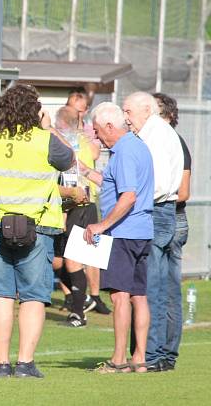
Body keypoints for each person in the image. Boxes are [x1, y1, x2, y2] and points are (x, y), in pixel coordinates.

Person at [0, 84, 73, 378]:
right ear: (35, 110)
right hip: (37, 225)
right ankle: (25, 363)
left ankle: (2, 363)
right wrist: (48, 127)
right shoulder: (45, 141)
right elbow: (69, 159)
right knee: (32, 296)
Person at [80, 102, 154, 373]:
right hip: (143, 231)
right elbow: (115, 183)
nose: (97, 136)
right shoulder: (138, 146)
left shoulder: (123, 151)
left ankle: (119, 359)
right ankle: (139, 358)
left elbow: (129, 195)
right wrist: (87, 172)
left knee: (120, 296)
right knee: (139, 295)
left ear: (110, 126)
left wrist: (102, 225)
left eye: (98, 130)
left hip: (123, 232)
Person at [122, 91, 183, 373]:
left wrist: (131, 199)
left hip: (157, 210)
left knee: (153, 285)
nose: (126, 118)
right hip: (164, 211)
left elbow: (155, 184)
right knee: (165, 286)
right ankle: (164, 353)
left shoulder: (155, 136)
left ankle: (154, 353)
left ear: (147, 110)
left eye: (128, 112)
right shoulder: (159, 132)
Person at [152, 92, 191, 371]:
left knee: (166, 290)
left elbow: (184, 192)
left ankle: (165, 353)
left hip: (172, 219)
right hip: (169, 218)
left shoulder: (173, 142)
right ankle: (157, 351)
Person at [51, 105, 98, 327]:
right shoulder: (79, 139)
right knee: (57, 260)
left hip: (81, 205)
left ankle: (79, 312)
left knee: (73, 260)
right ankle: (83, 298)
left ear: (61, 123)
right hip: (67, 205)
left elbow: (76, 171)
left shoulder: (73, 142)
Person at [65, 86, 109, 316]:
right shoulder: (61, 130)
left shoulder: (90, 132)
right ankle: (73, 298)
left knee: (91, 253)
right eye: (74, 110)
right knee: (67, 257)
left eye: (81, 111)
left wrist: (82, 132)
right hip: (68, 198)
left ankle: (92, 297)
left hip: (88, 197)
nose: (77, 115)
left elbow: (92, 154)